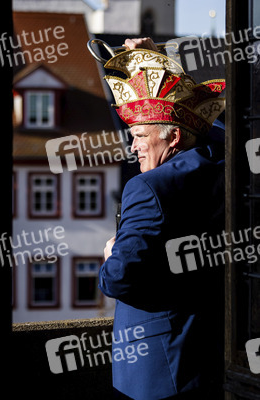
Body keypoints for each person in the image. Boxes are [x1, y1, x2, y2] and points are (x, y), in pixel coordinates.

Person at [98, 37, 226, 400]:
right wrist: (154, 67)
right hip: (207, 358)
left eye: (139, 135)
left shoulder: (146, 188)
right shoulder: (218, 163)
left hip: (153, 372)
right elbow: (208, 129)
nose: (133, 145)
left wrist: (110, 256)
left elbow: (119, 279)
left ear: (173, 137)